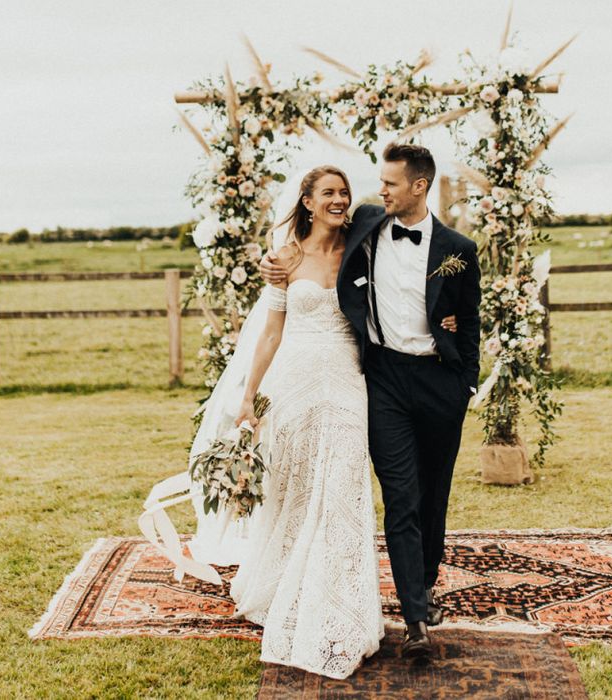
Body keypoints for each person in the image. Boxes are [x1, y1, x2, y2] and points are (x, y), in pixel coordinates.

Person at [261, 143, 481, 659]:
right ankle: (415, 620)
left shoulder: (459, 250)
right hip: (382, 381)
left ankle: (425, 580)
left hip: (440, 382)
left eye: (390, 183)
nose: (378, 190)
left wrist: (466, 382)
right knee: (400, 497)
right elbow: (304, 243)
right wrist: (271, 265)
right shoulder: (365, 223)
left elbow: (469, 319)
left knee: (433, 494)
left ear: (419, 187)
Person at [228, 166, 384, 679]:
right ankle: (284, 587)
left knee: (341, 488)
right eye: (328, 193)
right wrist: (249, 396)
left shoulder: (363, 247)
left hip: (344, 379)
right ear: (308, 201)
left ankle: (340, 603)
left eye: (344, 192)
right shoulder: (285, 256)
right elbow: (271, 332)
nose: (340, 200)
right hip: (293, 379)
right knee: (294, 488)